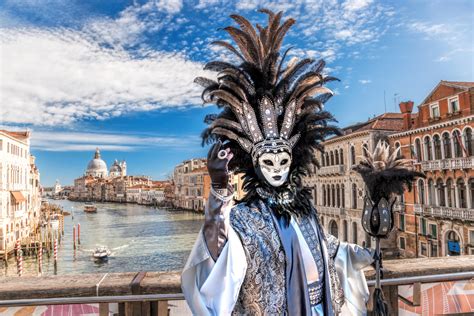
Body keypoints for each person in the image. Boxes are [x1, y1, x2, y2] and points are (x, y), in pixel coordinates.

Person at [181, 9, 373, 315]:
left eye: (283, 160)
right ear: (254, 165)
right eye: (268, 162)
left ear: (294, 159)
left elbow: (326, 247)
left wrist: (363, 253)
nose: (277, 168)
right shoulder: (245, 218)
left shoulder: (305, 208)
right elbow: (217, 254)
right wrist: (219, 188)